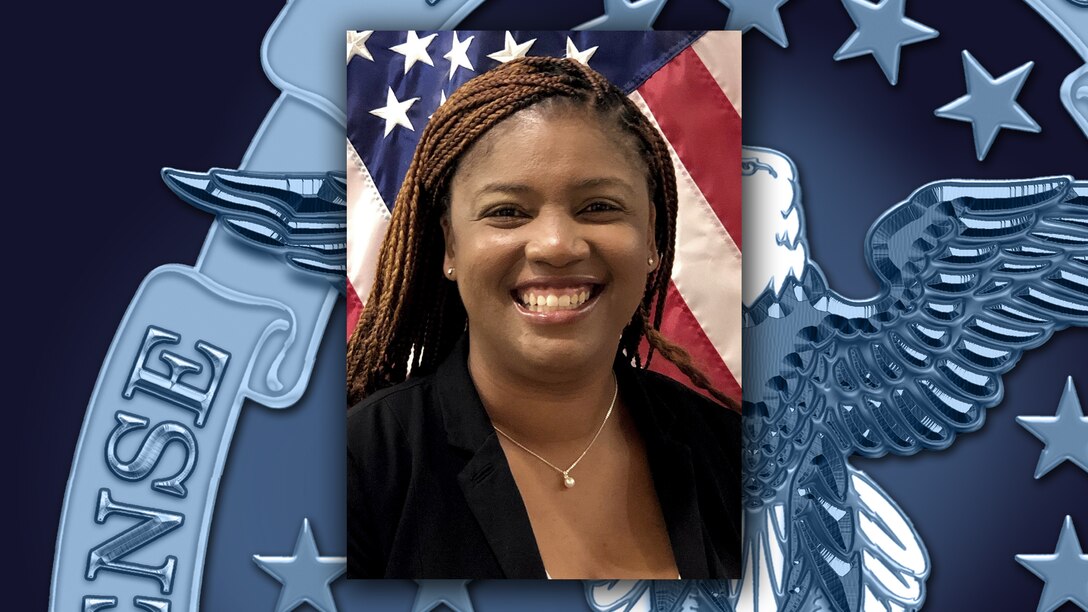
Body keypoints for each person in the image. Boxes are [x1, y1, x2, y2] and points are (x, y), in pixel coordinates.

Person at [346, 56, 741, 579]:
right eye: (507, 211)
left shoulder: (737, 454)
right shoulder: (354, 467)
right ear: (450, 247)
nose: (556, 246)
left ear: (652, 239)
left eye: (599, 207)